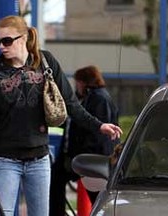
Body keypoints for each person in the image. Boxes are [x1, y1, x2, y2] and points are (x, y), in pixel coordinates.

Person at [0, 15, 122, 216]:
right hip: (5, 158)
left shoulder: (46, 62)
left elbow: (70, 104)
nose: (1, 46)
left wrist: (99, 125)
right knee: (1, 213)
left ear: (23, 38)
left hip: (38, 159)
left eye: (6, 41)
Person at [49, 65, 120, 216]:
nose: (76, 86)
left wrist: (83, 154)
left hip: (91, 157)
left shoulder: (99, 99)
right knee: (56, 179)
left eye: (78, 82)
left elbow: (97, 133)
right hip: (77, 155)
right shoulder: (88, 99)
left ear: (85, 82)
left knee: (97, 195)